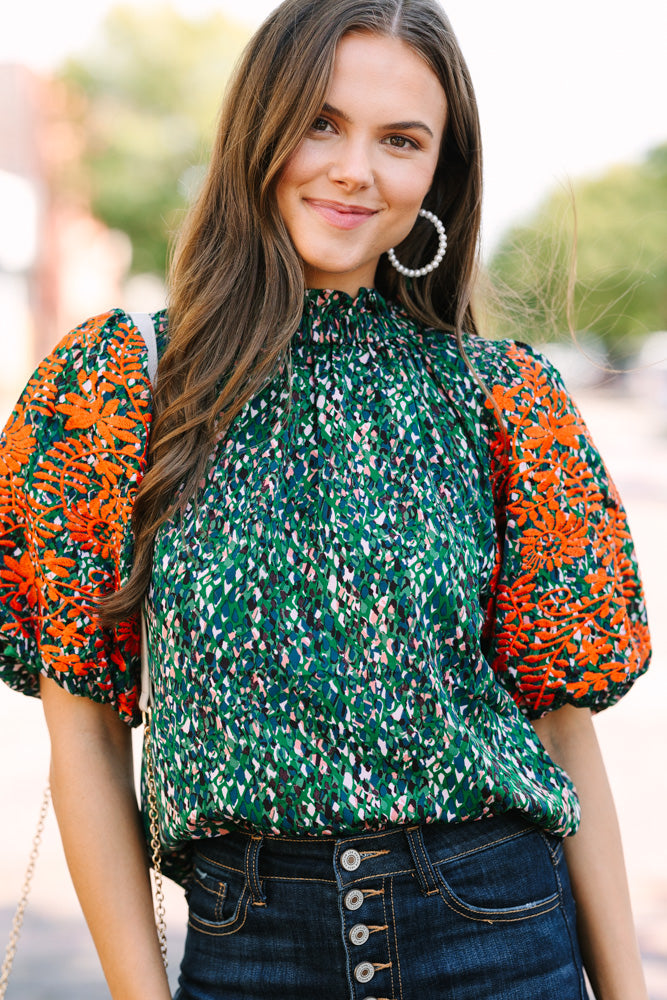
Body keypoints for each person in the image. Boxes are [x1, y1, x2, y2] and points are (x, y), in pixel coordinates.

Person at [0, 1, 652, 998]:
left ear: (437, 174)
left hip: (498, 937)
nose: (356, 169)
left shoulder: (502, 400)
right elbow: (82, 734)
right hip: (249, 951)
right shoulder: (114, 388)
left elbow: (562, 734)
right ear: (258, 130)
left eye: (400, 140)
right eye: (320, 121)